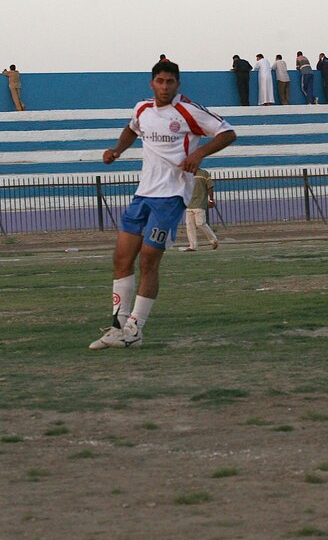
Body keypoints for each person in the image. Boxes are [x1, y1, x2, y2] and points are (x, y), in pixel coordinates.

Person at [89, 60, 236, 349]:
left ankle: (135, 329)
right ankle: (119, 327)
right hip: (143, 193)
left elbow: (227, 132)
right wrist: (117, 150)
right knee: (121, 258)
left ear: (177, 84)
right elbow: (132, 129)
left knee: (148, 260)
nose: (165, 86)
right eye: (160, 81)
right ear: (152, 83)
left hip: (170, 197)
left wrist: (200, 153)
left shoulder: (188, 110)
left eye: (170, 82)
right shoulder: (142, 109)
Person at [181, 168, 219, 252]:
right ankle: (193, 246)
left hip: (200, 202)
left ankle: (214, 240)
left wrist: (211, 199)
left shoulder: (204, 173)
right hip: (189, 203)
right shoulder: (186, 174)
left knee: (200, 223)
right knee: (189, 225)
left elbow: (210, 187)